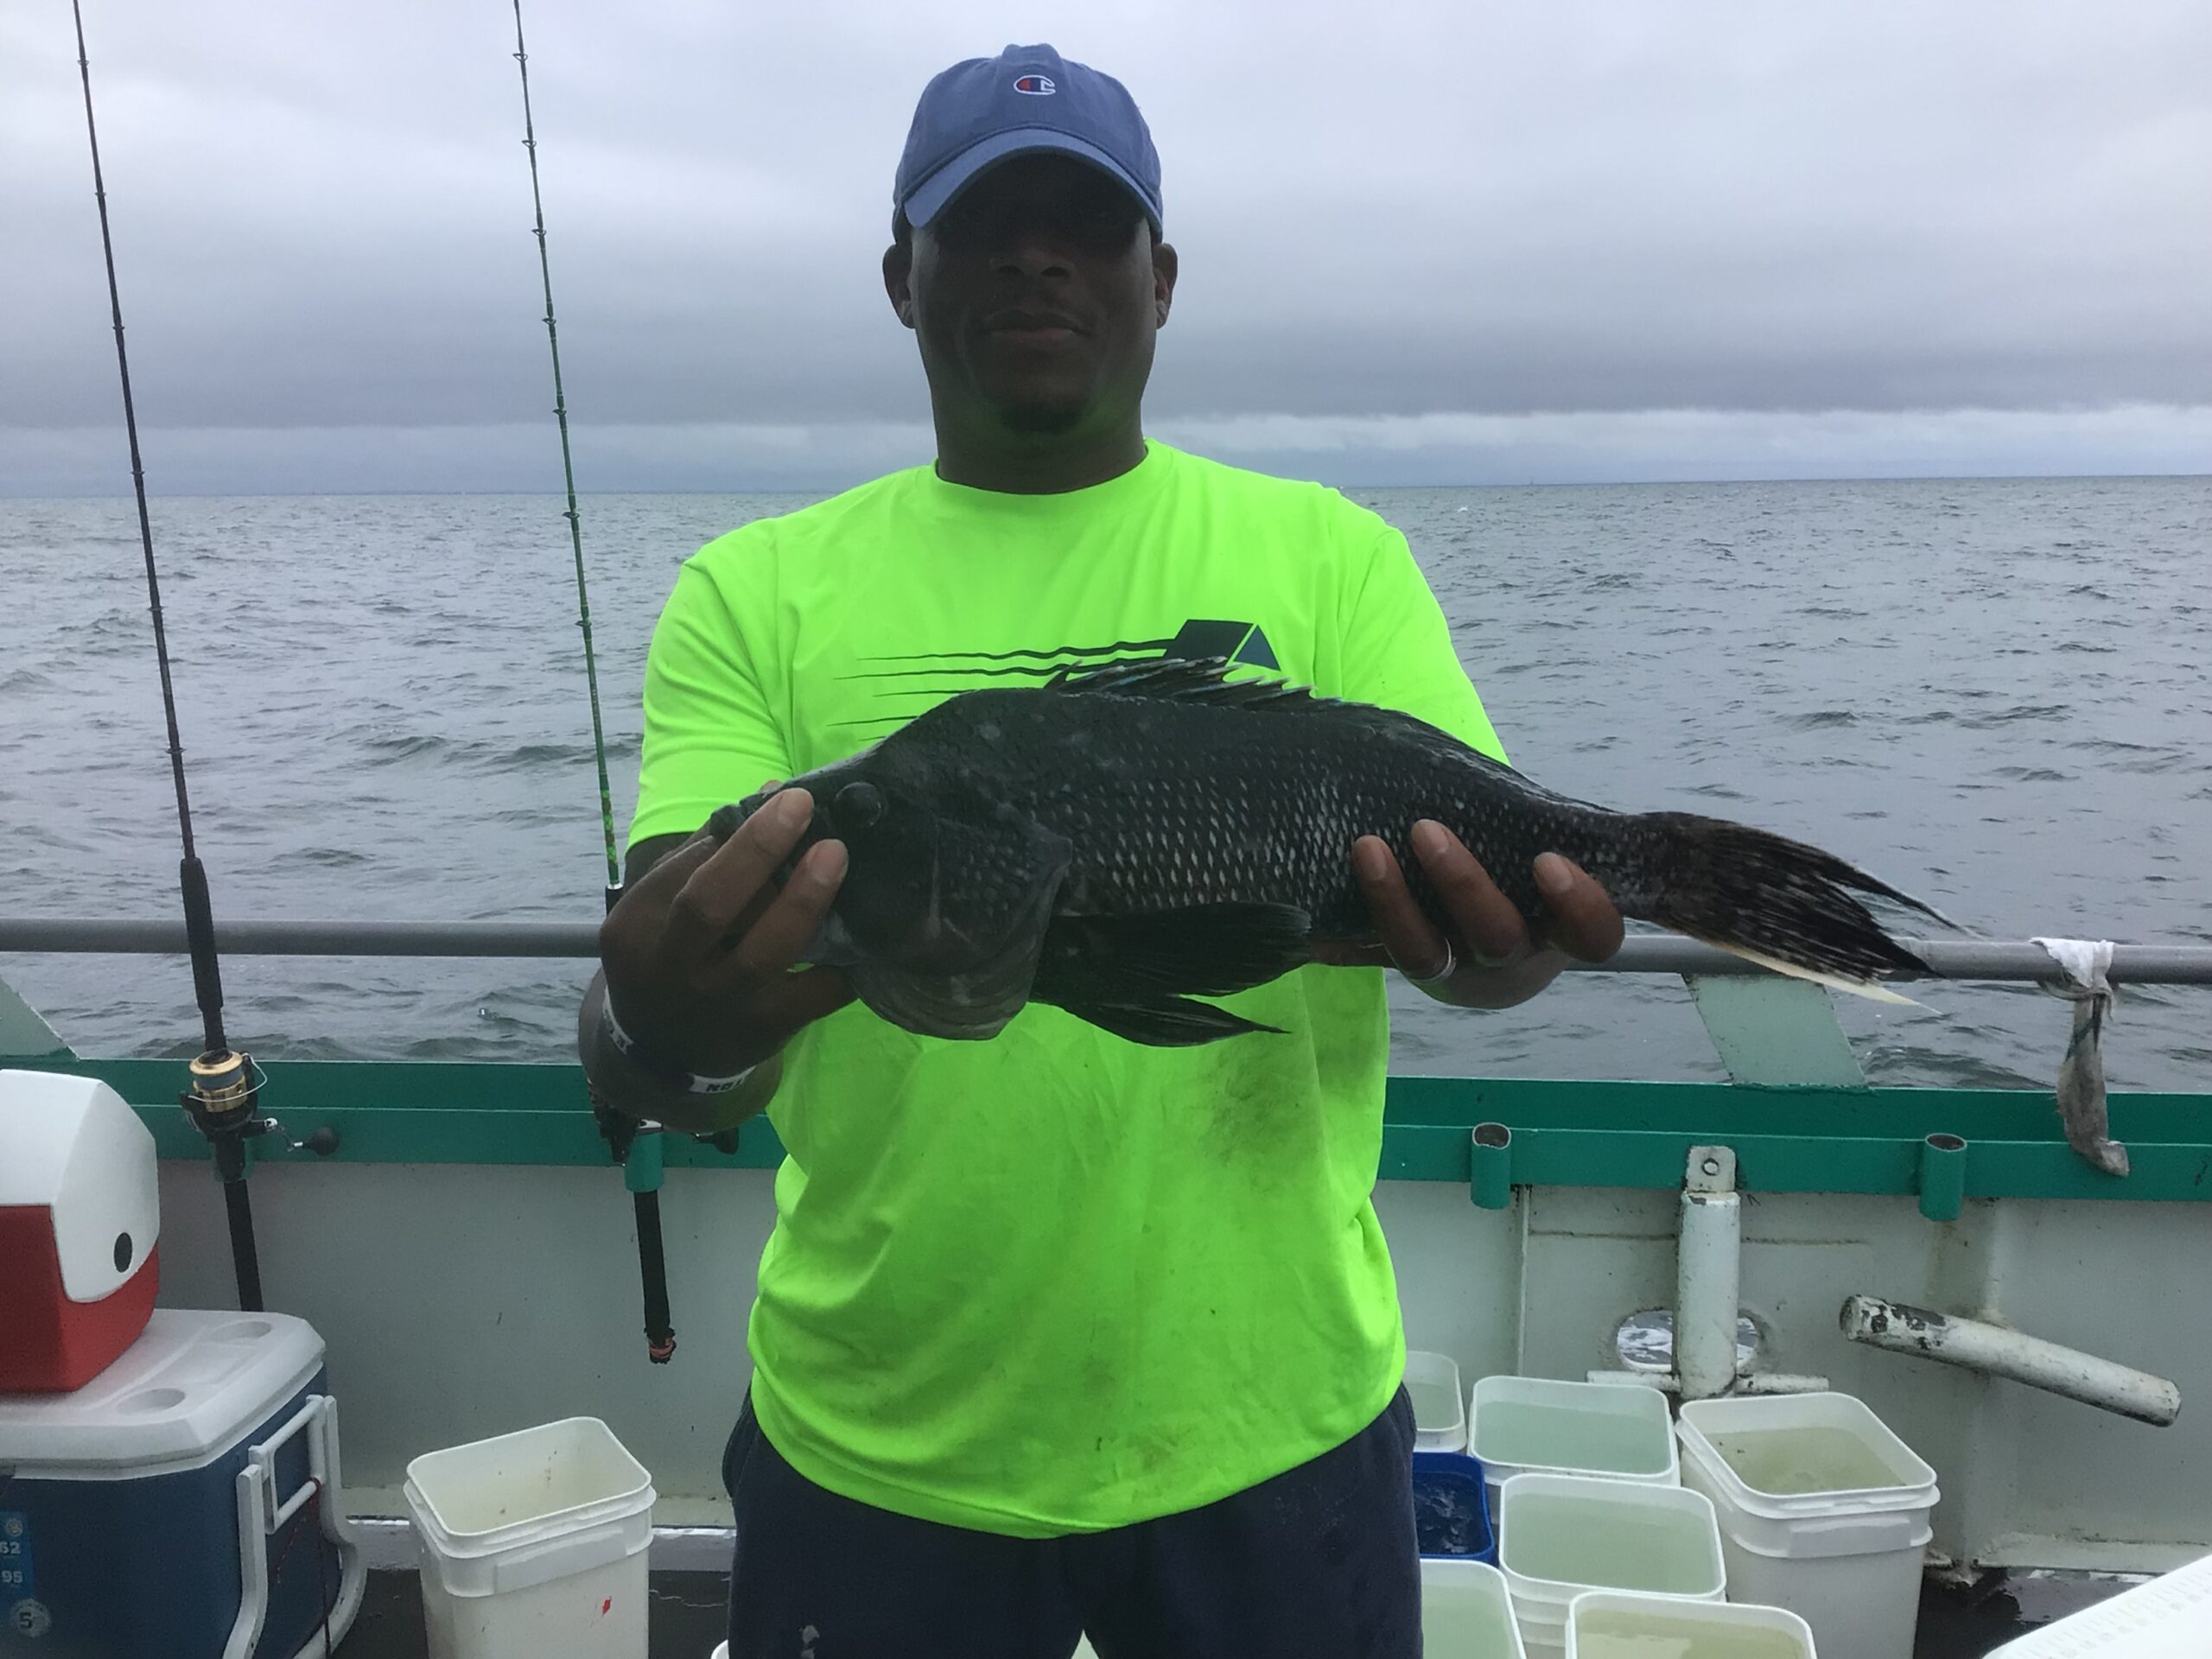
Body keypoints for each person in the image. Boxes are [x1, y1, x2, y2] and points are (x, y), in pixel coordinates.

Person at [579, 41, 1623, 1659]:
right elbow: (671, 994)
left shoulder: (1334, 559)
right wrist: (661, 1023)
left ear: (1163, 277)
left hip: (1278, 1425)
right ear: (901, 280)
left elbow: (1487, 954)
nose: (1037, 257)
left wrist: (1515, 948)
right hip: (878, 1445)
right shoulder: (750, 590)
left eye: (1088, 222)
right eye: (984, 225)